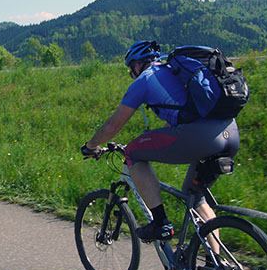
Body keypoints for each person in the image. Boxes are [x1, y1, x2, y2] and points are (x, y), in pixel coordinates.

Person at [81, 40, 240, 242]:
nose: (132, 74)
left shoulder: (145, 80)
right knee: (196, 196)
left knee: (133, 152)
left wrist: (91, 146)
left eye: (131, 70)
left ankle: (160, 223)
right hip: (231, 133)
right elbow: (175, 123)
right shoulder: (175, 73)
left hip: (202, 137)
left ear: (137, 65)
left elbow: (113, 126)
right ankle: (217, 264)